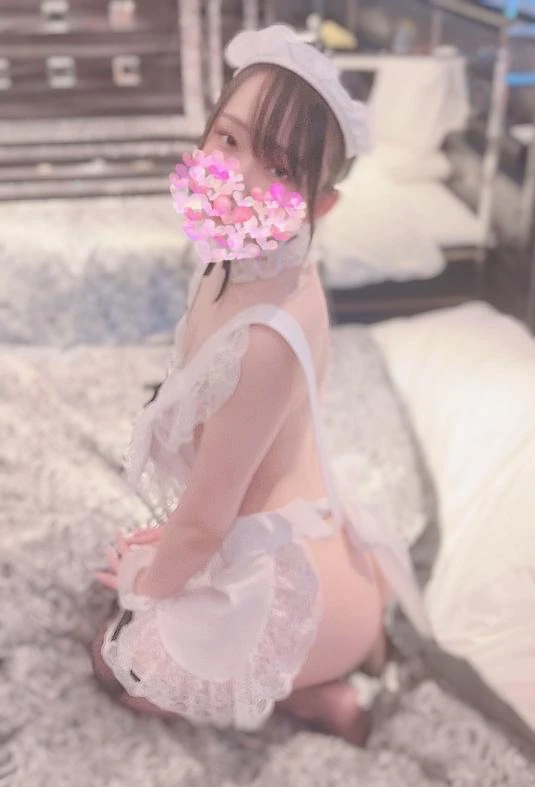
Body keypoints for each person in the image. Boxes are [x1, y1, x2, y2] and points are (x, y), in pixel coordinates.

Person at [90, 25, 429, 746]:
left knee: (112, 664)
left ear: (319, 206)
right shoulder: (251, 255)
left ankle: (315, 691)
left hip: (294, 586)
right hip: (288, 537)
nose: (240, 177)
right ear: (206, 132)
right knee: (126, 623)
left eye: (278, 169)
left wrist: (146, 582)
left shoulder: (264, 340)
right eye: (230, 140)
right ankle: (330, 670)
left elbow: (206, 524)